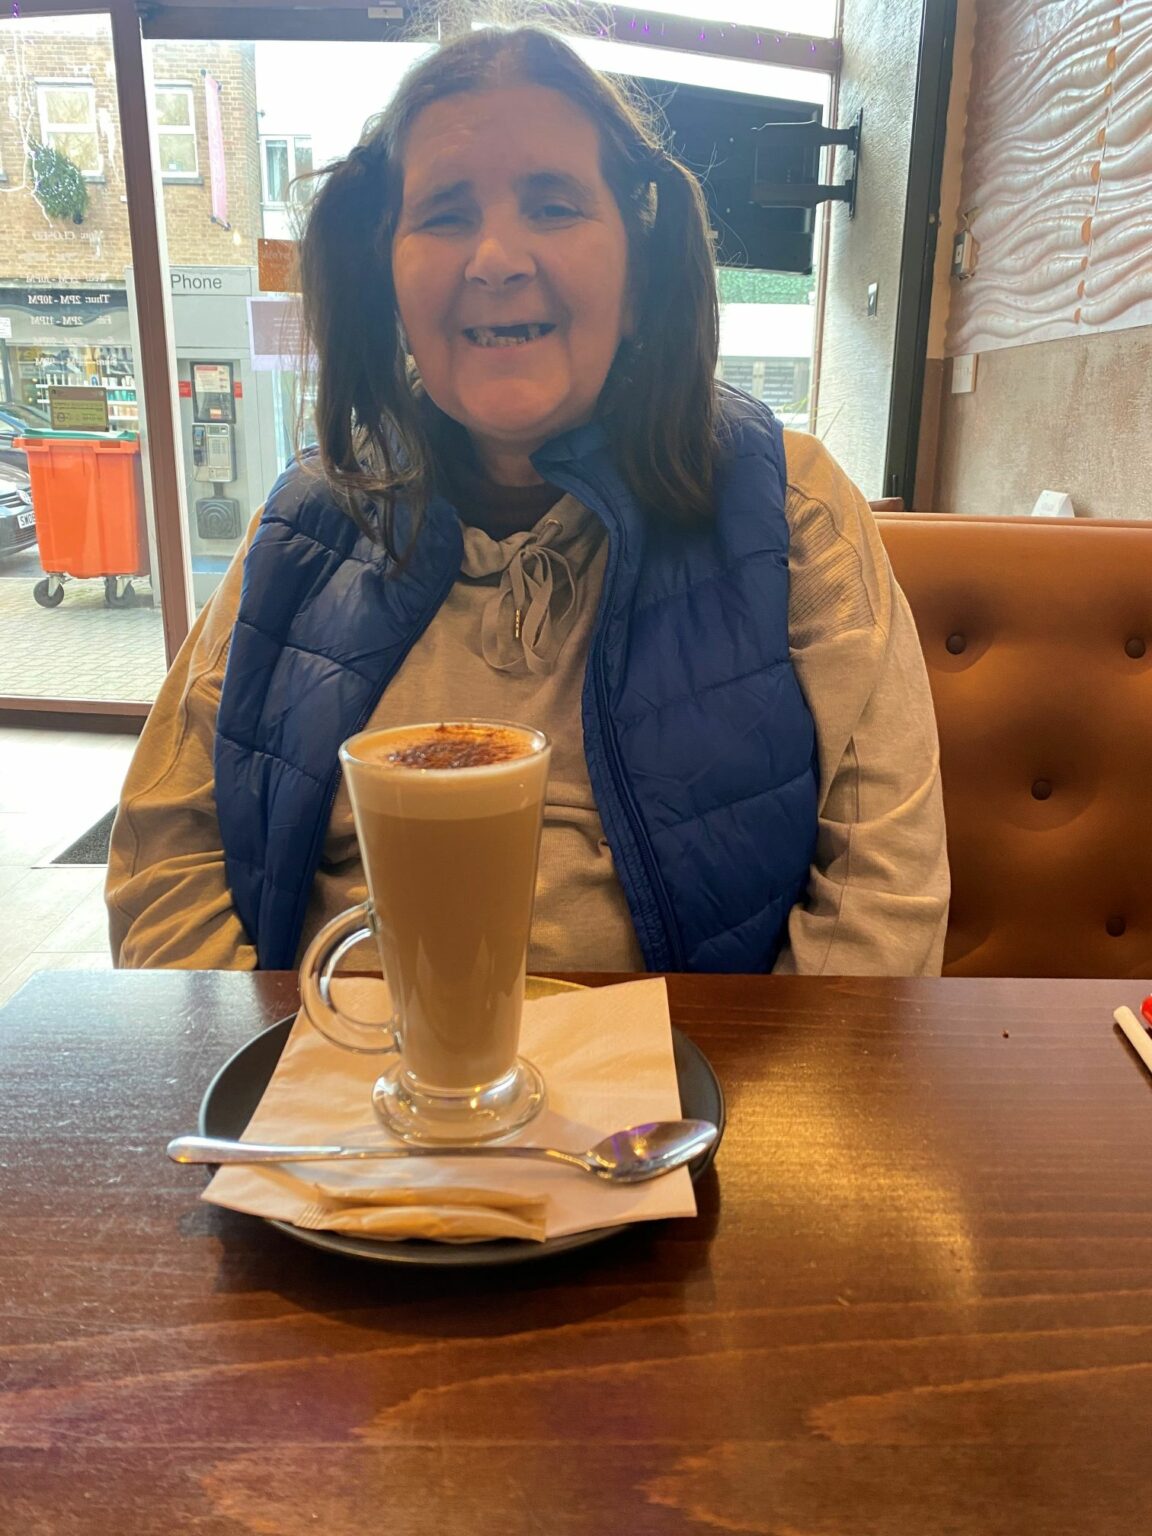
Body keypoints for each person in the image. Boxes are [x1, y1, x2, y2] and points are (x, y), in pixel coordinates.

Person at [106, 24, 949, 977]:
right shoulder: (304, 522)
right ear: (389, 284)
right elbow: (162, 860)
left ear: (639, 277)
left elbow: (884, 894)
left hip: (694, 1071)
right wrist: (282, 1056)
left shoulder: (791, 507)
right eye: (445, 214)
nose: (496, 257)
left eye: (553, 205)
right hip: (336, 1064)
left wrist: (729, 1076)